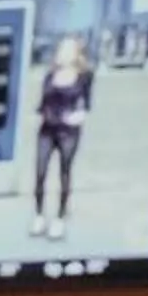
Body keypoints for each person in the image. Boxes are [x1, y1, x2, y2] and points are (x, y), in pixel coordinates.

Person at [29, 33, 95, 242]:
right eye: (62, 49)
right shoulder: (50, 75)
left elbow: (87, 104)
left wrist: (79, 117)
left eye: (69, 49)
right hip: (46, 129)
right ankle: (39, 216)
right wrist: (36, 114)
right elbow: (42, 102)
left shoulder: (85, 76)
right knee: (40, 172)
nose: (64, 53)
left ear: (76, 53)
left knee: (64, 172)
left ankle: (59, 218)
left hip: (68, 131)